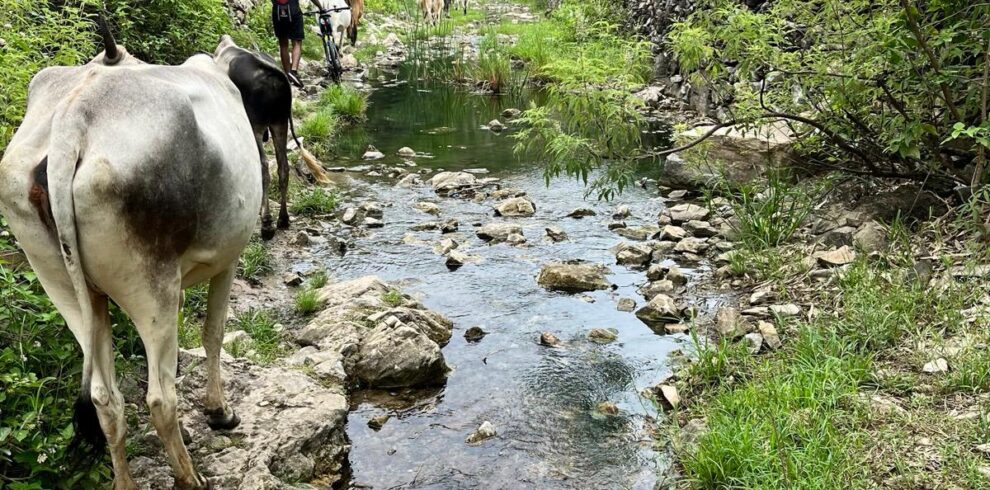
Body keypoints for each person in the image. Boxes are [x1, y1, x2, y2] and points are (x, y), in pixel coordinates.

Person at [271, 0, 323, 87]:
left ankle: (288, 74)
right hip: (293, 9)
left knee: (283, 44)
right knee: (297, 42)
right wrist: (320, 7)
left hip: (278, 11)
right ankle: (294, 71)